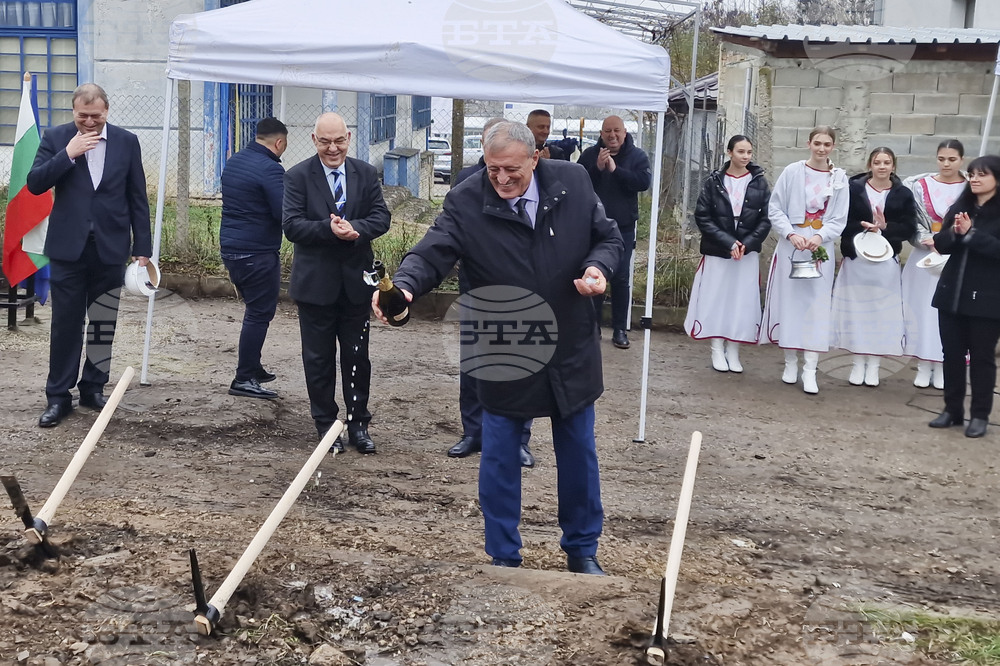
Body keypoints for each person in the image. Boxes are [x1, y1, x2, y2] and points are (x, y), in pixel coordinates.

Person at [373, 121, 623, 575]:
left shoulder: (574, 182)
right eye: (493, 170)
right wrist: (405, 287)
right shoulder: (467, 200)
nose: (503, 179)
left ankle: (582, 550)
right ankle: (504, 556)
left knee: (579, 454)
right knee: (501, 456)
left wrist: (597, 268)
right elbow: (431, 251)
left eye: (513, 170)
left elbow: (608, 238)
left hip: (570, 340)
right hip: (504, 345)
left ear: (536, 158)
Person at [27, 83, 151, 428]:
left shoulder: (127, 142)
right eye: (83, 116)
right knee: (66, 324)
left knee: (102, 321)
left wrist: (143, 248)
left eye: (95, 116)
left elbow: (137, 196)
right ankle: (58, 396)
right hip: (68, 249)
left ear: (106, 112)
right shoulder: (57, 138)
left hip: (110, 248)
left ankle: (94, 388)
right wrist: (68, 154)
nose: (90, 122)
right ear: (73, 112)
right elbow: (35, 183)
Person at [282, 112, 390, 454]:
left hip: (357, 284)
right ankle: (327, 427)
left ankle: (359, 423)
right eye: (325, 141)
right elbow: (292, 225)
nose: (333, 148)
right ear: (314, 140)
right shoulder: (297, 176)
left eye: (339, 141)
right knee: (319, 359)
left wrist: (357, 230)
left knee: (358, 357)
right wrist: (327, 229)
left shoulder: (365, 172)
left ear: (349, 138)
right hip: (316, 285)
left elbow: (381, 216)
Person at [450, 117, 536, 468]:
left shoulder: (533, 187)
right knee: (474, 365)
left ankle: (520, 438)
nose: (500, 175)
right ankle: (473, 431)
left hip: (522, 294)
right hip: (477, 291)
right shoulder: (465, 185)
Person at [761, 126, 849, 394]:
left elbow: (840, 218)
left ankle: (810, 367)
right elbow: (775, 208)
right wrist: (790, 233)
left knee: (816, 307)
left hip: (819, 246)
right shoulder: (792, 172)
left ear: (833, 147)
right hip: (793, 245)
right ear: (809, 143)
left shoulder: (839, 178)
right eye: (817, 143)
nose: (821, 149)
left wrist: (820, 237)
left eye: (827, 144)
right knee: (791, 303)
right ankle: (790, 360)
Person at [684, 135, 771, 372]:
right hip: (718, 250)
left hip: (746, 252)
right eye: (741, 151)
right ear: (729, 152)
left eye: (749, 152)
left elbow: (765, 219)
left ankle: (734, 349)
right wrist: (729, 242)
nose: (745, 157)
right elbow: (703, 216)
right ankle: (716, 346)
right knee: (717, 297)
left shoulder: (759, 182)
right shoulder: (714, 181)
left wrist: (747, 243)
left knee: (741, 300)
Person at [832, 147, 916, 386]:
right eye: (877, 162)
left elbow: (909, 228)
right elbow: (840, 221)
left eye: (886, 162)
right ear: (870, 165)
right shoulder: (853, 190)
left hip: (885, 262)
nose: (882, 166)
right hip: (857, 259)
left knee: (880, 313)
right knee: (857, 312)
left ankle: (874, 365)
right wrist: (862, 226)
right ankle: (858, 362)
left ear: (893, 166)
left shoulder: (903, 194)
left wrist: (885, 227)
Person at [929, 155, 1000, 438]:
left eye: (981, 174)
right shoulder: (961, 208)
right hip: (951, 295)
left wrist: (972, 235)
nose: (974, 179)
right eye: (971, 174)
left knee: (982, 358)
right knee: (952, 355)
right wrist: (956, 233)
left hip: (986, 299)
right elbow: (940, 244)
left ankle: (980, 415)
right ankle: (952, 410)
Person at [220, 117, 288, 400]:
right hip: (257, 252)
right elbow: (283, 212)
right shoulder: (270, 170)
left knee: (255, 310)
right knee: (259, 313)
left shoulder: (235, 160)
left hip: (233, 249)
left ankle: (252, 366)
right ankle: (244, 377)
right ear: (279, 143)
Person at [578, 115, 652, 350]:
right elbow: (578, 181)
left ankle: (620, 329)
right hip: (593, 227)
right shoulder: (591, 154)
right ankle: (594, 327)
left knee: (620, 277)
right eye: (607, 131)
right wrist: (598, 168)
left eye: (616, 131)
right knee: (593, 276)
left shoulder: (637, 156)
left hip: (623, 227)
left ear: (624, 132)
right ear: (601, 134)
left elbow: (642, 183)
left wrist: (615, 169)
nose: (612, 135)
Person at [902, 140, 967, 389]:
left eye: (952, 159)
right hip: (925, 256)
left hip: (955, 256)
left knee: (948, 314)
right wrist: (923, 239)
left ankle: (942, 365)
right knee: (922, 310)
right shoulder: (919, 186)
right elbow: (912, 220)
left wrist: (951, 240)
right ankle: (922, 364)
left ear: (961, 160)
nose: (946, 164)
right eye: (941, 159)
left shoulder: (970, 188)